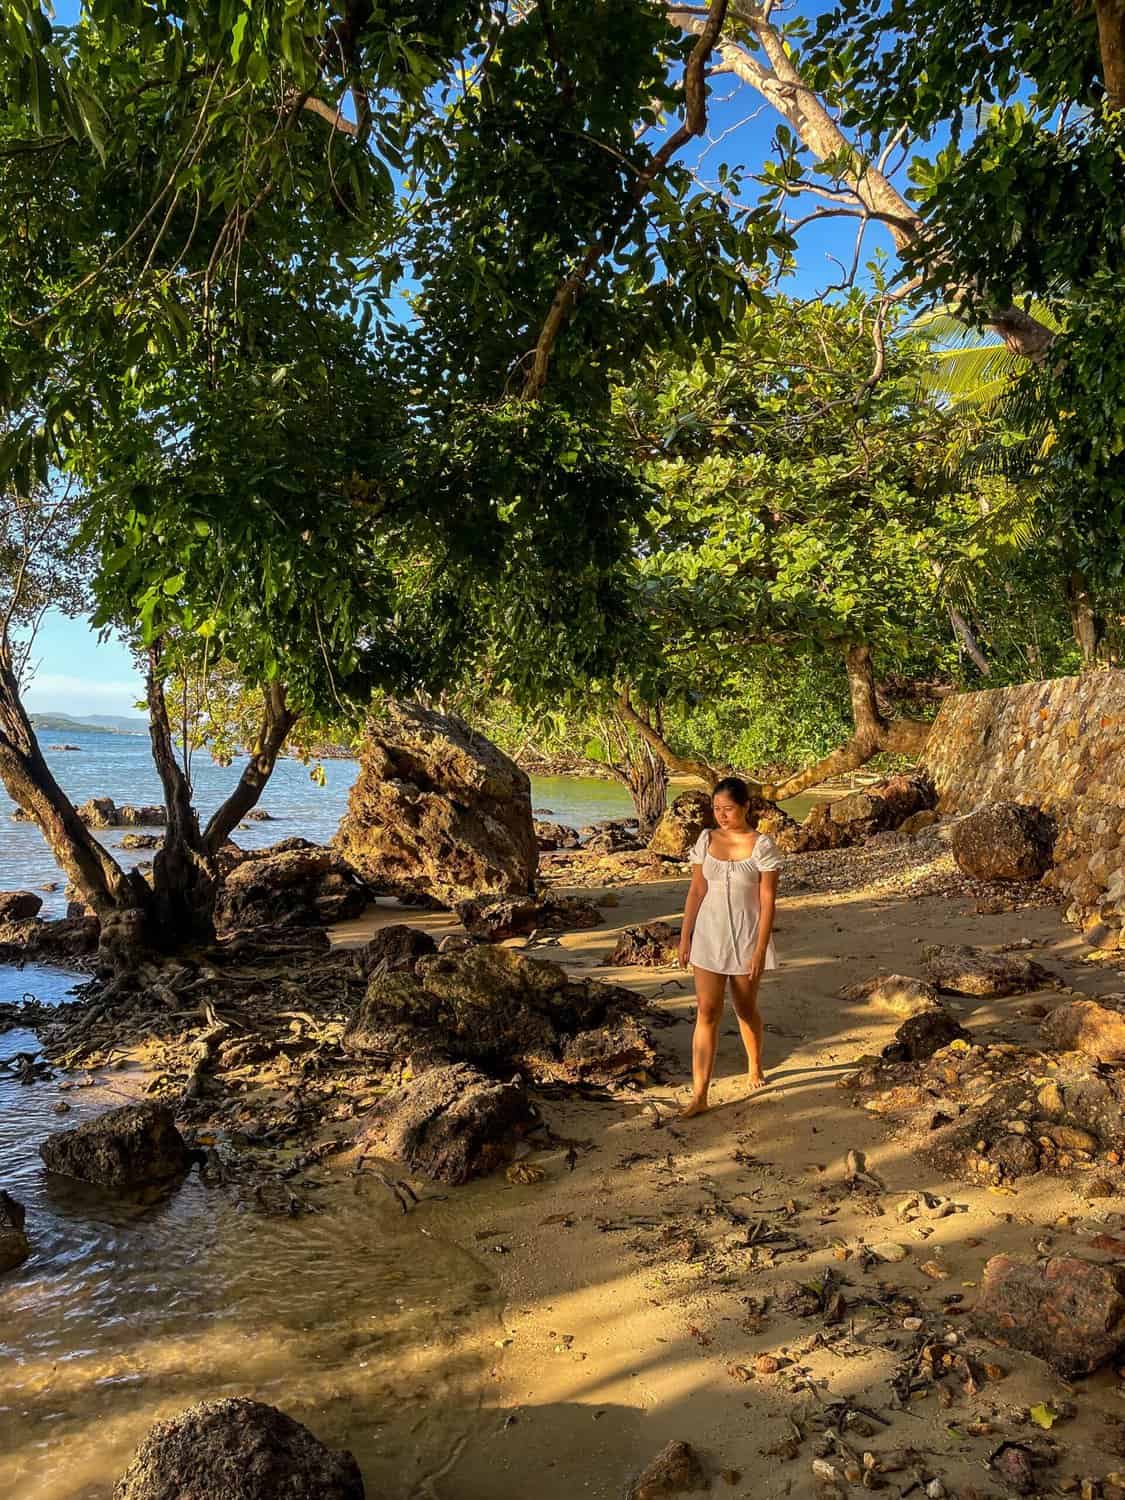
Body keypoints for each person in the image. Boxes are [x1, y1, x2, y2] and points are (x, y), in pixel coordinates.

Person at [676, 776, 781, 1117]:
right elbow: (696, 891)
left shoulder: (761, 845)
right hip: (709, 934)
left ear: (746, 806)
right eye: (716, 809)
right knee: (707, 1011)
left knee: (745, 1008)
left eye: (729, 809)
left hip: (748, 936)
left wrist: (760, 949)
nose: (721, 815)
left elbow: (768, 902)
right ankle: (700, 1095)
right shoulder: (705, 840)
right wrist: (684, 936)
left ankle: (755, 1064)